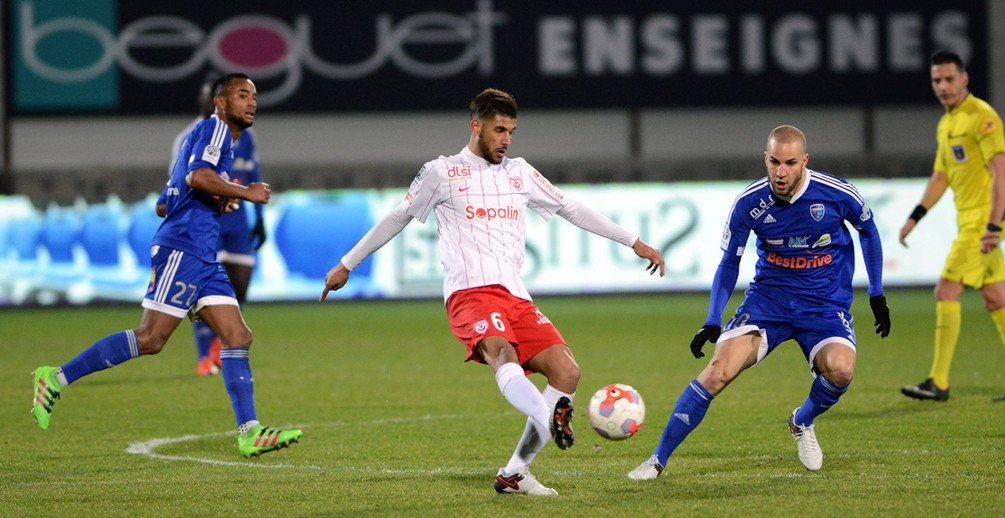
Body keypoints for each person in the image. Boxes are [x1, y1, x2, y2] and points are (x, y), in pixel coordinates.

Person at [319, 88, 665, 496]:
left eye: (512, 132)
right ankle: (550, 416)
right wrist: (347, 263)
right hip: (470, 294)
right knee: (503, 353)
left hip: (516, 296)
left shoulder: (518, 172)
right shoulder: (442, 172)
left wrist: (633, 241)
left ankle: (516, 473)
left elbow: (571, 207)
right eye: (499, 130)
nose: (506, 139)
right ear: (476, 126)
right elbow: (399, 216)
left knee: (567, 371)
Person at [31, 73, 302, 458]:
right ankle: (55, 378)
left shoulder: (200, 137)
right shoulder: (217, 131)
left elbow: (165, 201)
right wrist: (244, 191)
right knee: (151, 338)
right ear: (220, 103)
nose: (252, 102)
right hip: (184, 248)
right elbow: (197, 177)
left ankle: (250, 432)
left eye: (255, 96)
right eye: (242, 95)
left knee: (238, 336)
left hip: (202, 253)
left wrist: (216, 199)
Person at [628, 125, 890, 480]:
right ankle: (657, 461)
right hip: (769, 302)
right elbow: (729, 262)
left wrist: (876, 292)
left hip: (824, 306)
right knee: (717, 372)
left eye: (790, 163)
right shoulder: (749, 204)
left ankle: (802, 421)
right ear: (765, 159)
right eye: (775, 162)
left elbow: (869, 232)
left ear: (805, 161)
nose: (781, 173)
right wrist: (712, 318)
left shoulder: (837, 193)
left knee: (842, 370)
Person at [899, 50, 1005, 403]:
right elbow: (941, 176)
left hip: (982, 223)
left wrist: (994, 224)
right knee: (995, 298)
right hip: (972, 222)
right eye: (936, 80)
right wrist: (915, 216)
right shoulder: (946, 123)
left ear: (964, 79)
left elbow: (1000, 173)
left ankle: (939, 382)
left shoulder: (982, 117)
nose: (942, 86)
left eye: (949, 79)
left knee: (945, 291)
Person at [158, 79, 267, 377]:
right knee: (193, 300)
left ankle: (222, 349)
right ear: (213, 101)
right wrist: (235, 194)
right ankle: (205, 355)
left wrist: (259, 219)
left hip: (238, 222)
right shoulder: (191, 135)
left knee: (239, 289)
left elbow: (252, 172)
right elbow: (179, 185)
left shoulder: (244, 134)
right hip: (204, 225)